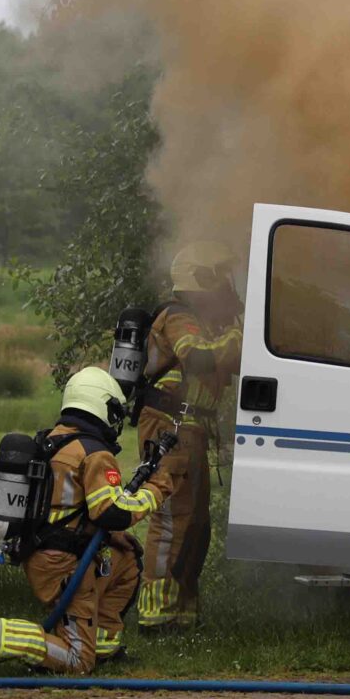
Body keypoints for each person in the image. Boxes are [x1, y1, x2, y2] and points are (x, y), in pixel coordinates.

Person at [0, 366, 171, 677]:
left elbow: (72, 509)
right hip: (64, 564)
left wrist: (111, 538)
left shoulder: (53, 441)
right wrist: (157, 489)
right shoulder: (94, 452)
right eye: (114, 411)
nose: (115, 422)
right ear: (101, 405)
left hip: (47, 553)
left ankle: (103, 647)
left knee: (125, 559)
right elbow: (112, 512)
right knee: (77, 662)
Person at [133, 244, 243, 628]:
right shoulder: (179, 316)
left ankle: (183, 613)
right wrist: (237, 337)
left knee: (196, 524)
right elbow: (196, 356)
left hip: (189, 429)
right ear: (201, 278)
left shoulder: (202, 321)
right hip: (169, 427)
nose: (225, 287)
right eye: (218, 278)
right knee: (172, 518)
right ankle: (156, 613)